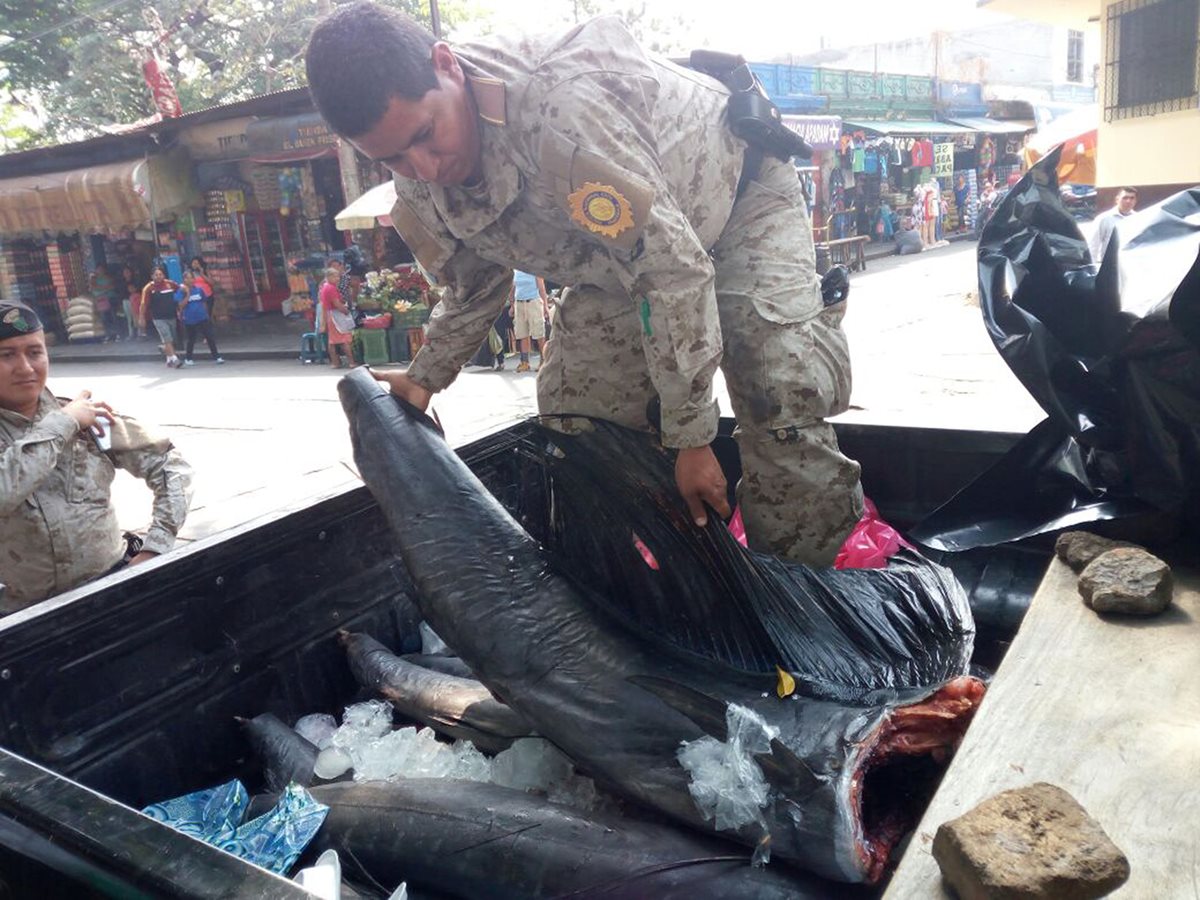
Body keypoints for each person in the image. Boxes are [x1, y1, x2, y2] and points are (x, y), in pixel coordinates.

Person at [305, 4, 864, 566]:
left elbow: (671, 271)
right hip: (620, 257)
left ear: (447, 66)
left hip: (740, 201)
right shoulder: (418, 179)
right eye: (393, 158)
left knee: (777, 389)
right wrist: (425, 379)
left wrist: (691, 439)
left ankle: (809, 597)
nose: (422, 167)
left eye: (426, 135)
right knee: (577, 415)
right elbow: (475, 282)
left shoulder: (559, 108)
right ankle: (679, 573)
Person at [0, 301, 193, 613]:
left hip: (114, 593)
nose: (25, 367)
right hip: (26, 616)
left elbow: (170, 465)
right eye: (6, 355)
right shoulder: (73, 418)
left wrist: (155, 549)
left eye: (34, 352)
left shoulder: (89, 419)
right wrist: (64, 423)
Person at [177, 271, 224, 366]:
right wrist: (187, 294)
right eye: (187, 278)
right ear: (184, 280)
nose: (189, 280)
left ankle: (217, 356)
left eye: (191, 278)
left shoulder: (199, 290)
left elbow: (204, 302)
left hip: (202, 317)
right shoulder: (180, 292)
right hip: (190, 319)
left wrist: (206, 314)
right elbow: (180, 305)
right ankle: (188, 358)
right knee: (191, 339)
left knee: (209, 337)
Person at [141, 267, 184, 368]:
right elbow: (144, 304)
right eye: (156, 274)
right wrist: (141, 317)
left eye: (160, 274)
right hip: (158, 318)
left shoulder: (170, 284)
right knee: (167, 337)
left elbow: (179, 289)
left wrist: (185, 288)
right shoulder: (148, 288)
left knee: (171, 339)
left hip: (171, 316)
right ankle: (175, 359)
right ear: (152, 276)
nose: (159, 276)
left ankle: (167, 354)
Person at [1088, 186, 1137, 265]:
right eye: (1125, 198)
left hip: (1130, 265)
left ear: (1135, 201)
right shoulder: (1104, 219)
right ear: (1117, 199)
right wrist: (1091, 267)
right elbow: (1093, 245)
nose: (1128, 201)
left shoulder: (1138, 218)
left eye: (1132, 198)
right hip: (1110, 265)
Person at [510, 270, 547, 373]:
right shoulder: (515, 271)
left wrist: (545, 306)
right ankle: (525, 362)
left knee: (539, 334)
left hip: (533, 302)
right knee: (522, 334)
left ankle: (544, 361)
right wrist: (512, 305)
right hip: (519, 303)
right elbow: (512, 289)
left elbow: (541, 288)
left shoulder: (534, 270)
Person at [320, 267, 356, 368]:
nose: (338, 279)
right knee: (344, 339)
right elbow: (337, 304)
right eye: (335, 276)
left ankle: (335, 363)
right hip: (336, 315)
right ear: (329, 277)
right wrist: (346, 311)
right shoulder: (331, 288)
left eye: (338, 276)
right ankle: (351, 362)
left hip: (330, 315)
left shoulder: (325, 287)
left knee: (332, 341)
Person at [89, 263, 122, 342]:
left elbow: (112, 287)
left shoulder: (109, 278)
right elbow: (93, 288)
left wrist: (100, 290)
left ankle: (118, 334)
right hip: (101, 301)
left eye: (101, 269)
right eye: (98, 269)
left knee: (114, 317)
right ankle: (109, 334)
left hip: (111, 299)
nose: (100, 271)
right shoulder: (94, 280)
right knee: (104, 319)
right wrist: (105, 289)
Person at [121, 263, 143, 339]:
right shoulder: (121, 282)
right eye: (124, 272)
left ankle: (140, 333)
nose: (126, 274)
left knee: (137, 316)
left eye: (128, 272)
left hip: (135, 300)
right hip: (126, 301)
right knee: (129, 318)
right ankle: (131, 334)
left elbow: (138, 290)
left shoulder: (135, 280)